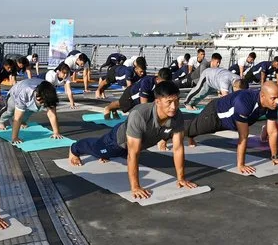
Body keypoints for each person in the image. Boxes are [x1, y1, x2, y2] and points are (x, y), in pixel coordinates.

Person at [68, 80, 198, 199]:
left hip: (137, 143)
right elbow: (133, 154)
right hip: (118, 141)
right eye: (169, 102)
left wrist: (181, 179)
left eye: (176, 101)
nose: (174, 107)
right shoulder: (140, 114)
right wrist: (135, 187)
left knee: (112, 154)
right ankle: (75, 148)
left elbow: (178, 148)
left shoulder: (177, 116)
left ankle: (106, 154)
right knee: (97, 149)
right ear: (157, 101)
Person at [179, 82, 278, 173]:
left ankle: (191, 134)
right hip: (215, 115)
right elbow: (243, 136)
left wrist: (275, 157)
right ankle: (165, 133)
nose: (277, 102)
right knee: (189, 129)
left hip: (230, 121)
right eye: (274, 98)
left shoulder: (271, 104)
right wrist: (241, 165)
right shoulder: (244, 103)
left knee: (193, 127)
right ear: (262, 96)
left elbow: (272, 132)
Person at [0, 78, 61, 144]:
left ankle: (23, 122)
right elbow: (17, 118)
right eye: (41, 101)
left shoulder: (50, 94)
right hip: (15, 93)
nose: (42, 104)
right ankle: (0, 121)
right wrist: (14, 138)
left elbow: (52, 115)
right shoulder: (24, 93)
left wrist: (56, 132)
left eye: (43, 102)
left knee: (30, 110)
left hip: (35, 93)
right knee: (10, 111)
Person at [103, 68, 171, 119]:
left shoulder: (167, 84)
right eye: (163, 82)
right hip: (132, 93)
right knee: (121, 104)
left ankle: (114, 110)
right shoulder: (147, 82)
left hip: (149, 96)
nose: (164, 85)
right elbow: (143, 103)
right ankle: (108, 108)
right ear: (158, 78)